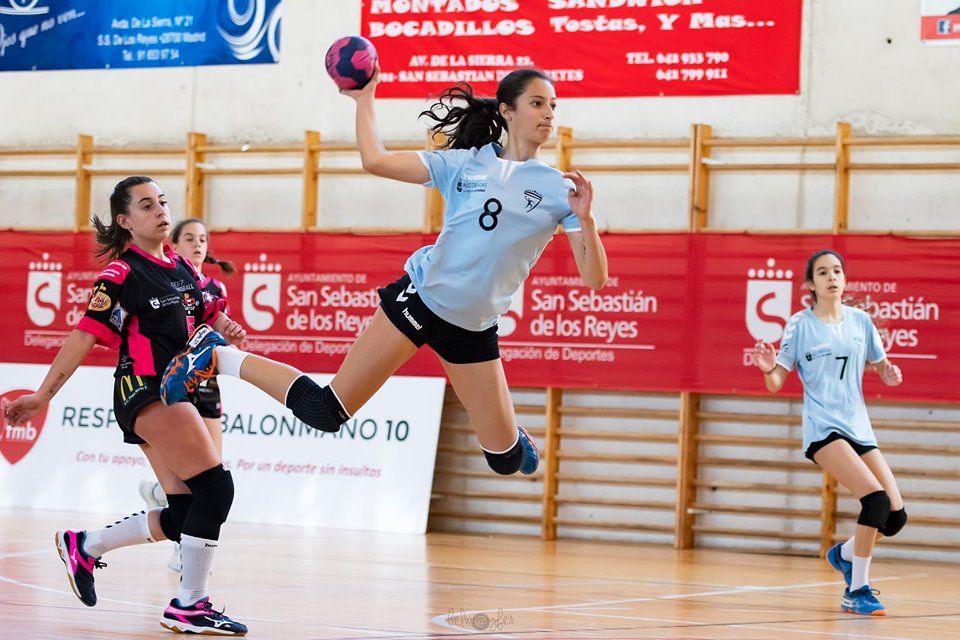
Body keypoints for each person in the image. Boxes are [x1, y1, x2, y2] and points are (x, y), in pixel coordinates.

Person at [160, 66, 608, 479]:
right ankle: (219, 357)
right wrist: (364, 99)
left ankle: (510, 440)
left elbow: (595, 279)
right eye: (537, 103)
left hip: (472, 329)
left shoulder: (559, 188)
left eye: (553, 105)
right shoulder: (464, 164)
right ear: (507, 110)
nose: (549, 113)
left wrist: (585, 219)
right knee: (326, 411)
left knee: (508, 460)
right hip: (419, 301)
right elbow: (374, 159)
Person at [3, 176, 248, 635]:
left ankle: (87, 546)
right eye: (146, 205)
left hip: (176, 391)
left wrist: (228, 326)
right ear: (125, 220)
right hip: (145, 388)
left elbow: (204, 312)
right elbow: (83, 336)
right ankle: (190, 603)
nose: (160, 210)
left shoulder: (181, 267)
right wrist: (42, 394)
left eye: (162, 202)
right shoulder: (120, 274)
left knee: (184, 515)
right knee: (216, 491)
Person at [752, 249, 905, 616]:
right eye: (823, 272)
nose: (832, 277)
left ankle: (845, 554)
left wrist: (889, 374)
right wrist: (767, 367)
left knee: (894, 517)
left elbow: (880, 365)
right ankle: (857, 590)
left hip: (859, 427)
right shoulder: (799, 325)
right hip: (823, 429)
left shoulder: (860, 321)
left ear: (844, 279)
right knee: (875, 501)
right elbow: (777, 382)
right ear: (811, 284)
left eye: (837, 271)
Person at [140, 218, 236, 573]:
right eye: (190, 239)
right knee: (194, 480)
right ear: (174, 246)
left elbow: (217, 333)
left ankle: (159, 498)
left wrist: (229, 333)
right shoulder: (165, 282)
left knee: (215, 472)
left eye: (204, 239)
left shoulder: (216, 289)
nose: (198, 245)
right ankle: (185, 550)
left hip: (206, 382)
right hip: (171, 381)